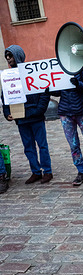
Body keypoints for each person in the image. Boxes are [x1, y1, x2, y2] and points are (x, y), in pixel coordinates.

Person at [2, 45, 53, 184]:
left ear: (18, 56)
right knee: (28, 147)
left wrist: (38, 110)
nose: (8, 59)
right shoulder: (8, 76)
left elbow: (44, 91)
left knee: (42, 145)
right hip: (21, 118)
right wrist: (7, 113)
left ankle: (47, 171)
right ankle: (35, 171)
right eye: (7, 56)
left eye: (10, 56)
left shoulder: (33, 72)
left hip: (35, 116)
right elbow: (5, 96)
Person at [52, 66, 83, 186]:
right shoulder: (60, 68)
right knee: (73, 145)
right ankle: (80, 172)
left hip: (81, 111)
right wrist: (49, 89)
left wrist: (78, 84)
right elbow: (58, 91)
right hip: (65, 112)